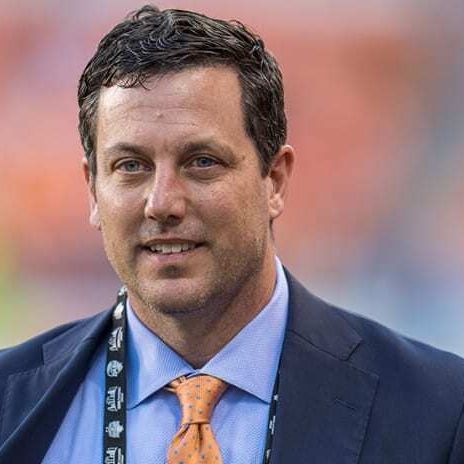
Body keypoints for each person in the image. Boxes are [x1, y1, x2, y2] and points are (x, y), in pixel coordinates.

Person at [1, 5, 464, 464]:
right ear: (93, 191)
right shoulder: (11, 402)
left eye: (202, 162)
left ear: (275, 180)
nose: (161, 203)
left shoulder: (437, 410)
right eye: (131, 166)